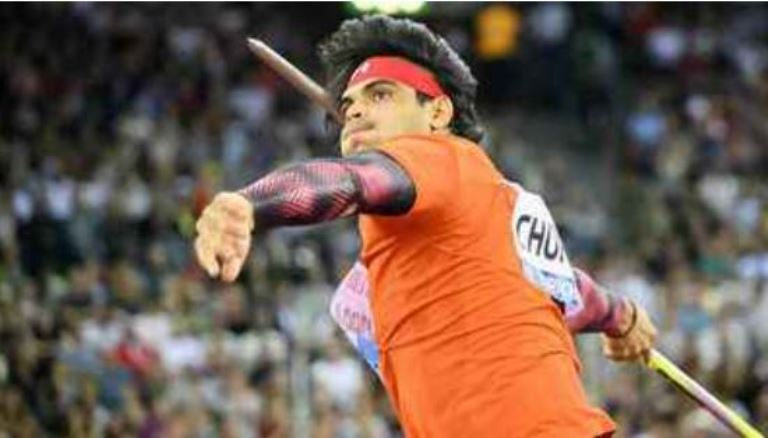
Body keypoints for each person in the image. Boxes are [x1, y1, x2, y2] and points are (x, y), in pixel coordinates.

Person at [194, 15, 656, 437]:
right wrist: (621, 317)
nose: (354, 111)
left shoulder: (439, 157)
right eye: (348, 105)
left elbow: (351, 181)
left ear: (437, 113)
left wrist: (252, 205)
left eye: (380, 95)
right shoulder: (483, 203)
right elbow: (562, 291)